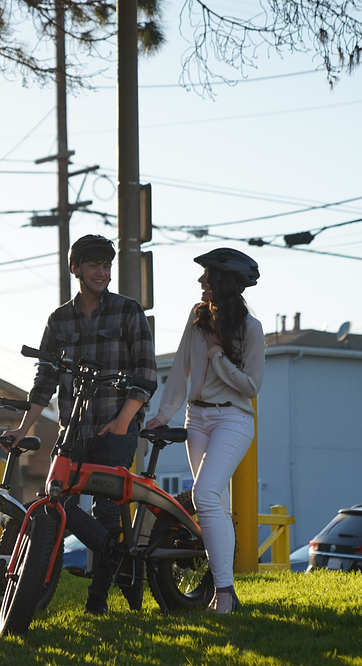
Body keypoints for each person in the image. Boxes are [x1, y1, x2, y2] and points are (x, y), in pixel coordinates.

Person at [1, 234, 157, 616]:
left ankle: (97, 602)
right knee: (57, 503)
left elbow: (146, 376)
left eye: (106, 266)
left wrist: (122, 423)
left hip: (115, 430)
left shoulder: (128, 311)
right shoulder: (59, 319)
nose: (102, 273)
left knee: (106, 512)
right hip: (72, 431)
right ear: (76, 270)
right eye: (93, 266)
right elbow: (45, 379)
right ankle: (121, 565)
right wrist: (24, 428)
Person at [145, 247, 264, 614]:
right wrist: (163, 414)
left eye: (207, 276)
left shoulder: (250, 329)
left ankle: (224, 593)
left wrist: (218, 358)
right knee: (214, 503)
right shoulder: (196, 318)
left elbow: (252, 385)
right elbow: (180, 367)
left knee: (205, 492)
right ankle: (221, 590)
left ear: (223, 283)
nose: (201, 281)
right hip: (195, 419)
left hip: (233, 419)